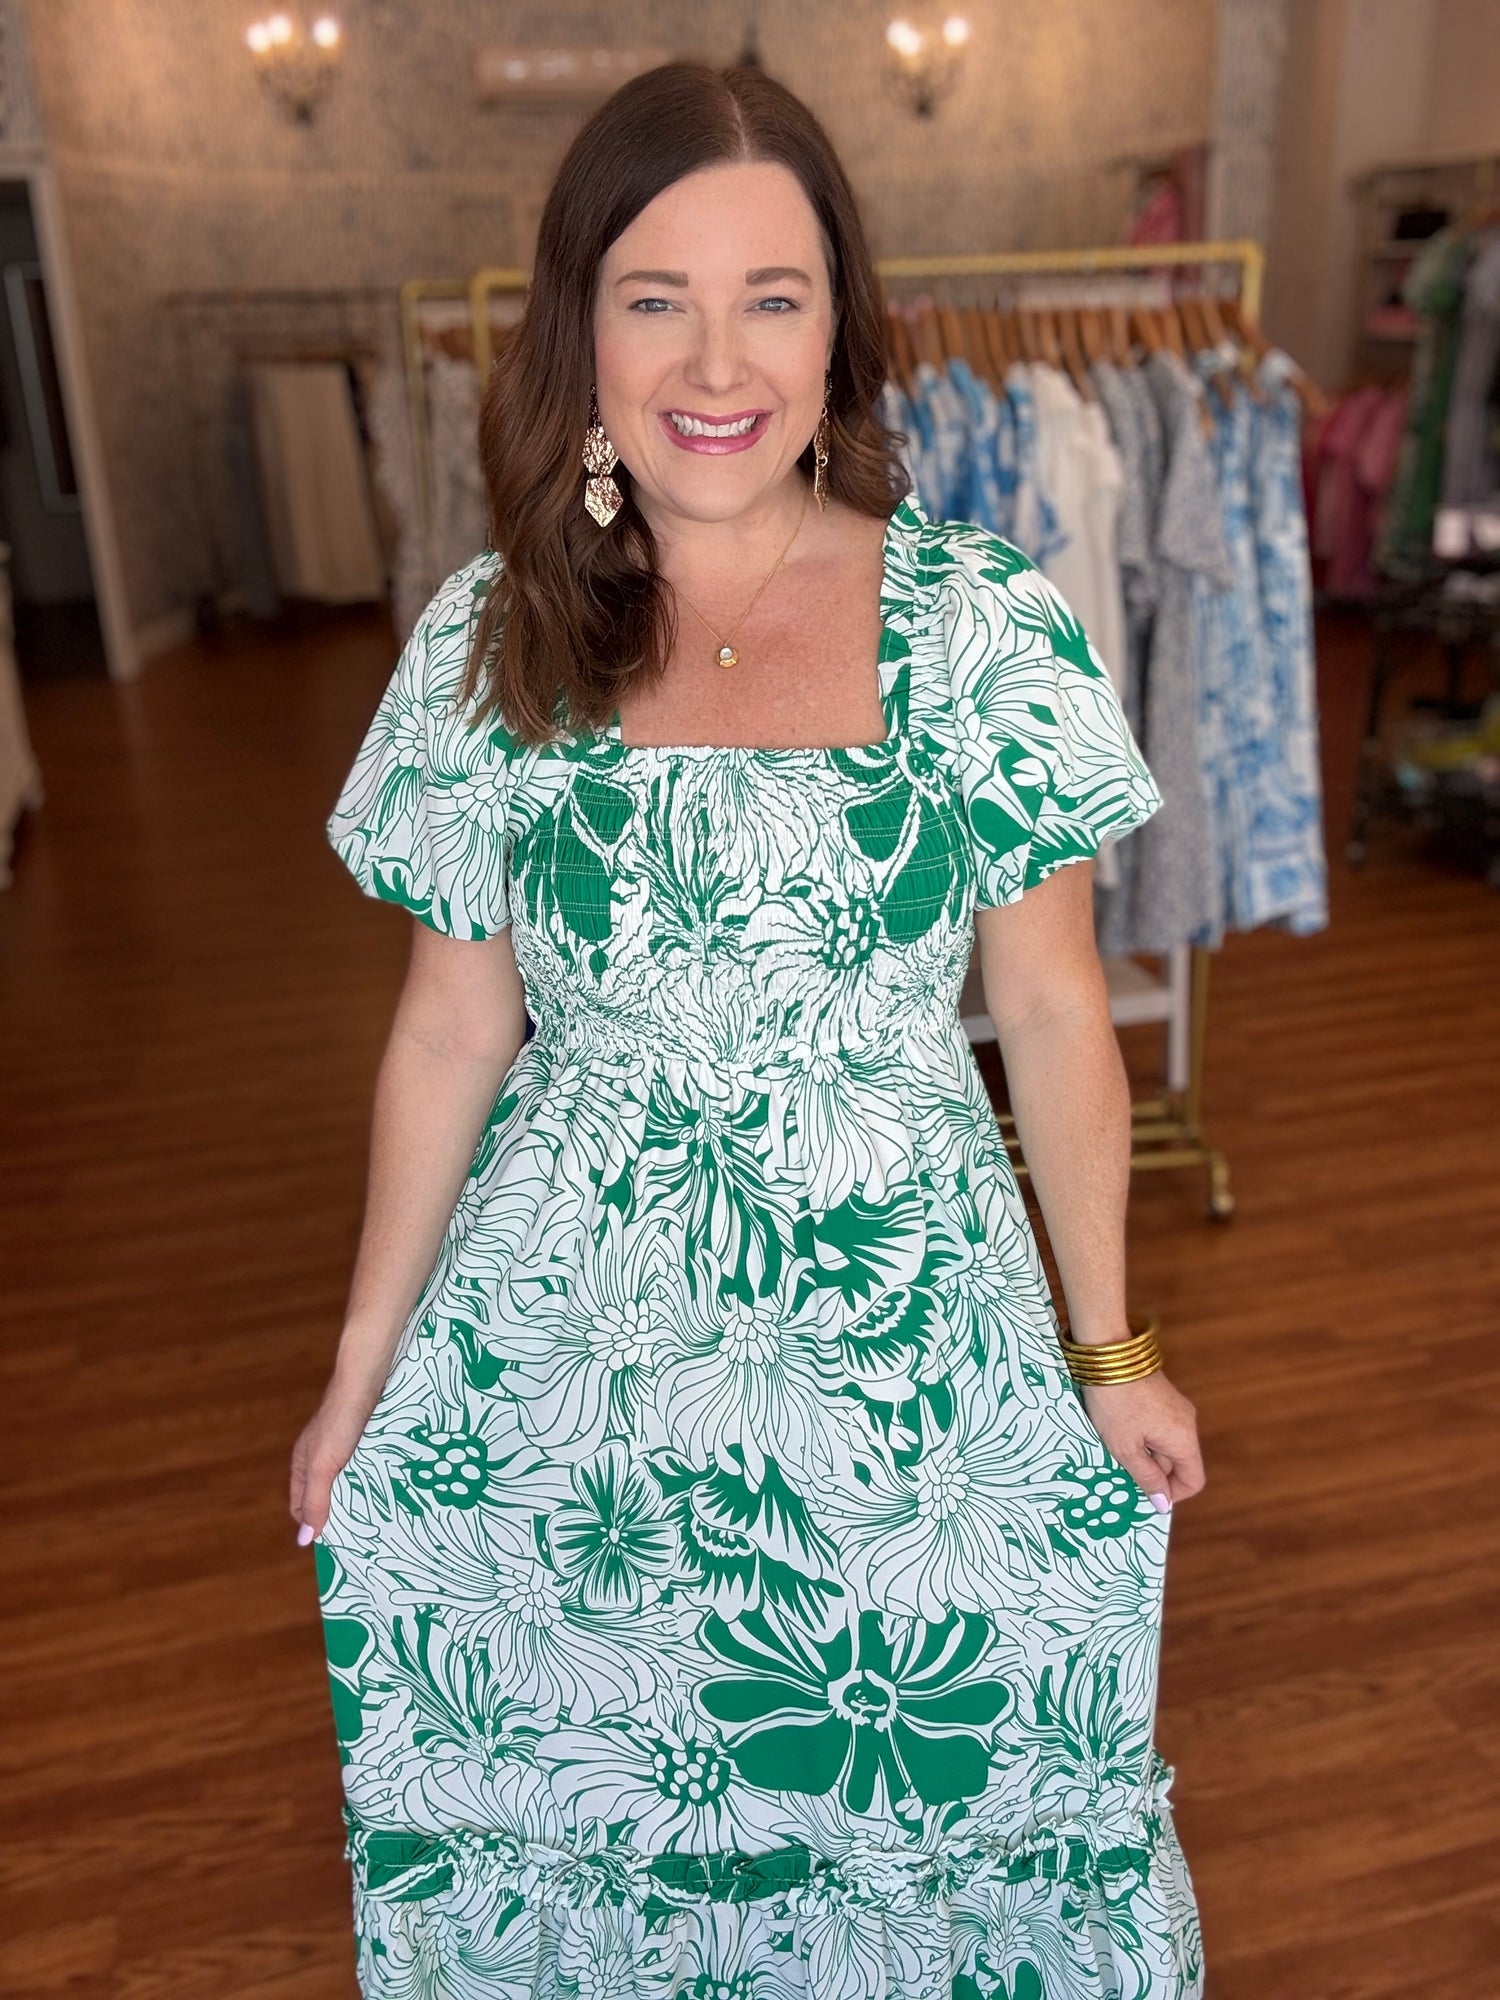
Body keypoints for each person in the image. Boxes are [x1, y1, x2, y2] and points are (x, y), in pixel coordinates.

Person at [291, 58, 1208, 2000]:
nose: (718, 362)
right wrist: (361, 1367)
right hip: (573, 1375)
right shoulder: (490, 640)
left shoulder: (977, 625)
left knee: (931, 1807)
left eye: (771, 298)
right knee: (585, 1808)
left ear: (838, 326)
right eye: (658, 298)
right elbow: (450, 1031)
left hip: (907, 1368)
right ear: (583, 330)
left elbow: (1052, 1009)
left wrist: (1112, 1345)